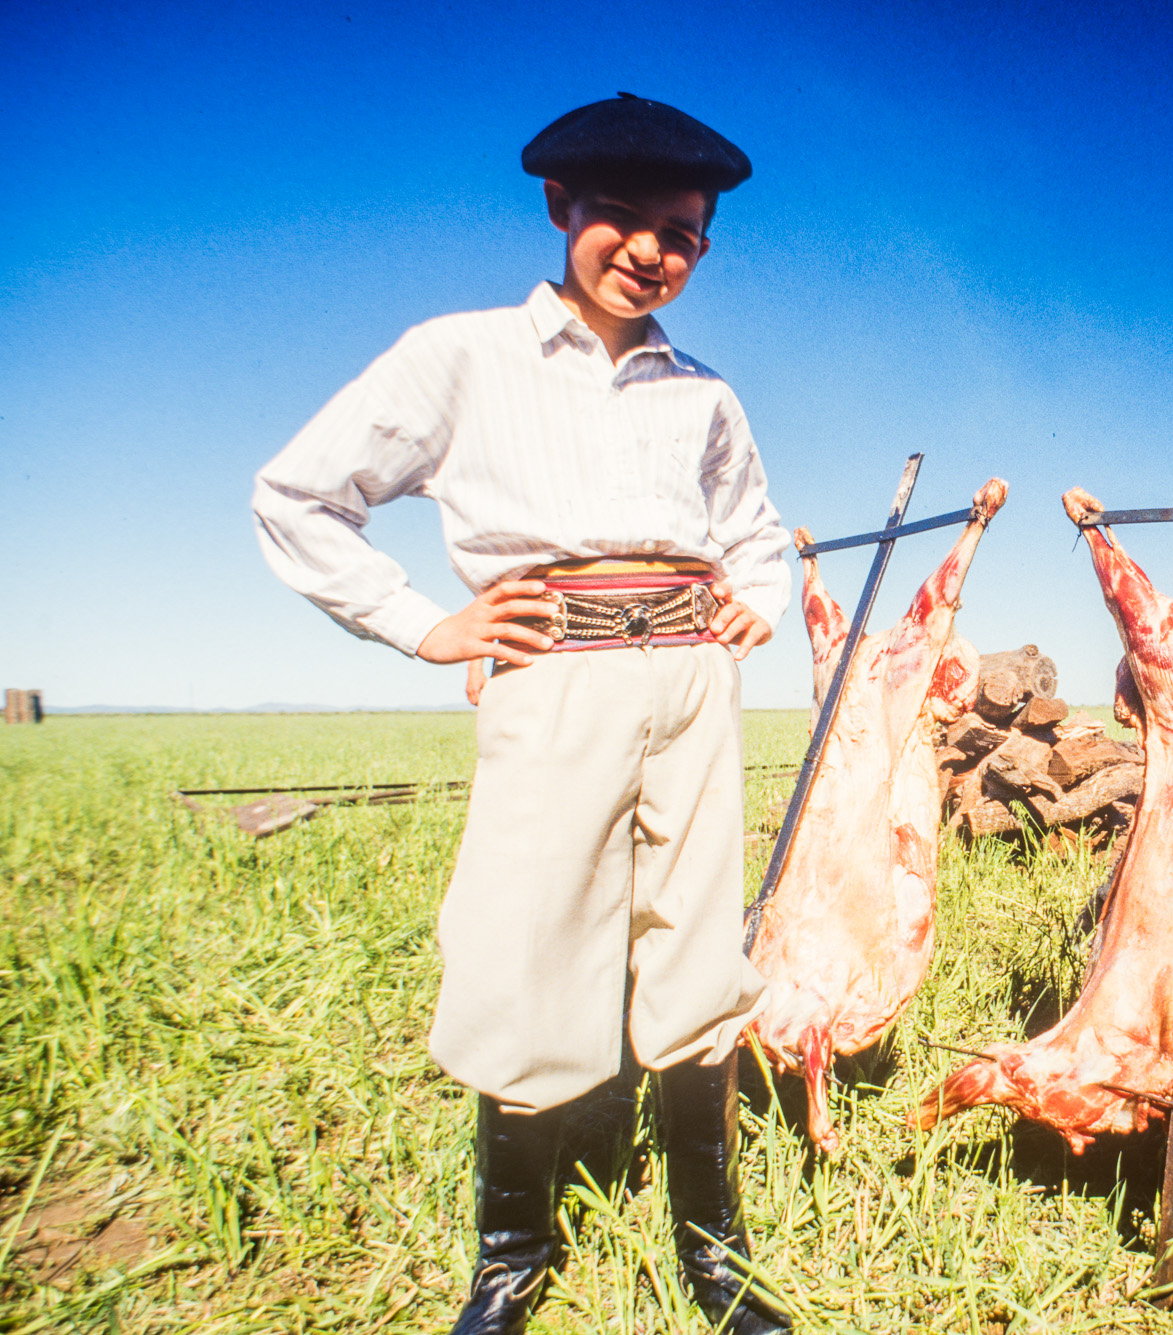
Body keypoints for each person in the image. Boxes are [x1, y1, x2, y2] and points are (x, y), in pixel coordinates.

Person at [252, 94, 793, 1335]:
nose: (650, 250)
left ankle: (715, 1253)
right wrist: (418, 621)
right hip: (553, 679)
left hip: (693, 683)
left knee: (697, 943)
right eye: (623, 217)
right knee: (528, 939)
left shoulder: (704, 392)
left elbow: (751, 525)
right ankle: (511, 1253)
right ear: (561, 208)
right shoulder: (462, 356)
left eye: (683, 231)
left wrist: (754, 597)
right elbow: (296, 494)